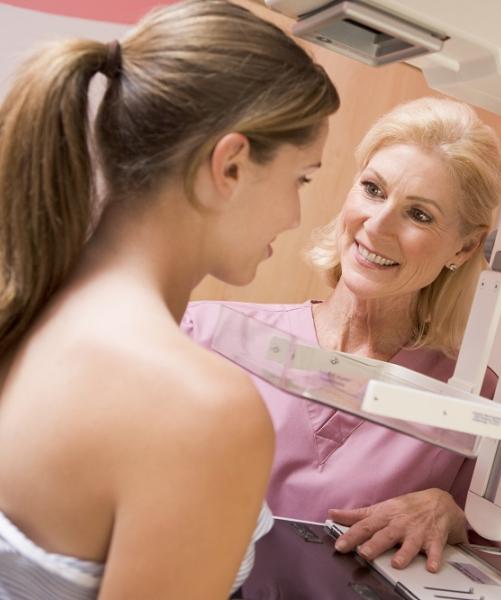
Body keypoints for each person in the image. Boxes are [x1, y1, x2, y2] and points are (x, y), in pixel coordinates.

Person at [0, 1, 339, 598]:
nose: (295, 215)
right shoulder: (201, 410)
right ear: (231, 165)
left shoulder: (28, 301)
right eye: (301, 179)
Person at [181, 97, 501, 574]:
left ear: (464, 245)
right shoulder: (208, 333)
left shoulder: (476, 404)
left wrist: (451, 514)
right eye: (373, 190)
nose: (377, 224)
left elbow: (493, 563)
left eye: (419, 214)